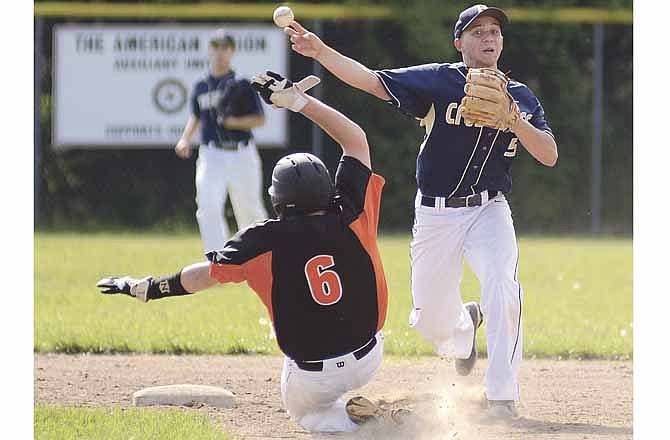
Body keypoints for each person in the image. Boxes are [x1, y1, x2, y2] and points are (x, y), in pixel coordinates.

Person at [283, 4, 558, 421]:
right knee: (430, 323)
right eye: (478, 31)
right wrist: (320, 51)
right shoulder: (440, 81)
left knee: (503, 287)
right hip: (437, 215)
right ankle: (464, 331)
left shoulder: (520, 97)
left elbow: (549, 155)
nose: (489, 38)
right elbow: (373, 82)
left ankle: (502, 395)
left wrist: (515, 121)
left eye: (495, 32)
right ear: (459, 42)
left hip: (489, 209)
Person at [97, 71, 401, 433]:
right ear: (326, 188)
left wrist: (150, 288)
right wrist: (299, 103)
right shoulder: (354, 212)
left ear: (278, 200)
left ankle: (349, 424)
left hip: (312, 378)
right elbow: (355, 139)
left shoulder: (262, 239)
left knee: (307, 413)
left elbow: (203, 276)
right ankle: (367, 414)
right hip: (370, 357)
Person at [175, 29, 268, 254]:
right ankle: (218, 260)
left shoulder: (243, 84)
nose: (220, 52)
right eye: (215, 47)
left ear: (232, 51)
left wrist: (233, 122)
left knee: (249, 211)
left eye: (225, 47)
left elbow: (259, 119)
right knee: (207, 206)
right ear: (209, 50)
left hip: (241, 153)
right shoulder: (201, 86)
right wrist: (185, 138)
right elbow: (197, 115)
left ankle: (259, 256)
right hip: (211, 153)